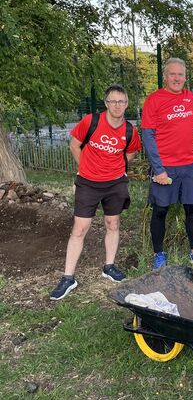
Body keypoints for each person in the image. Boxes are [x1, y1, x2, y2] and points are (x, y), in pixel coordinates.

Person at [50, 84, 142, 300]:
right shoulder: (91, 121)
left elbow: (130, 153)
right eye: (113, 101)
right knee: (80, 228)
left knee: (113, 224)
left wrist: (115, 169)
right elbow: (74, 145)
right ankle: (68, 277)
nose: (117, 105)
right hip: (88, 183)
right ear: (106, 103)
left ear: (127, 104)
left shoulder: (130, 130)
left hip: (115, 184)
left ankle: (109, 266)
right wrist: (85, 169)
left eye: (121, 101)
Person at [141, 58, 193, 270]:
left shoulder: (190, 98)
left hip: (189, 165)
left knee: (192, 208)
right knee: (160, 210)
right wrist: (158, 169)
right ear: (165, 76)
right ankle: (159, 254)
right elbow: (148, 136)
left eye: (181, 75)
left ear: (185, 78)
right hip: (165, 167)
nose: (177, 78)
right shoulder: (154, 100)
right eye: (173, 74)